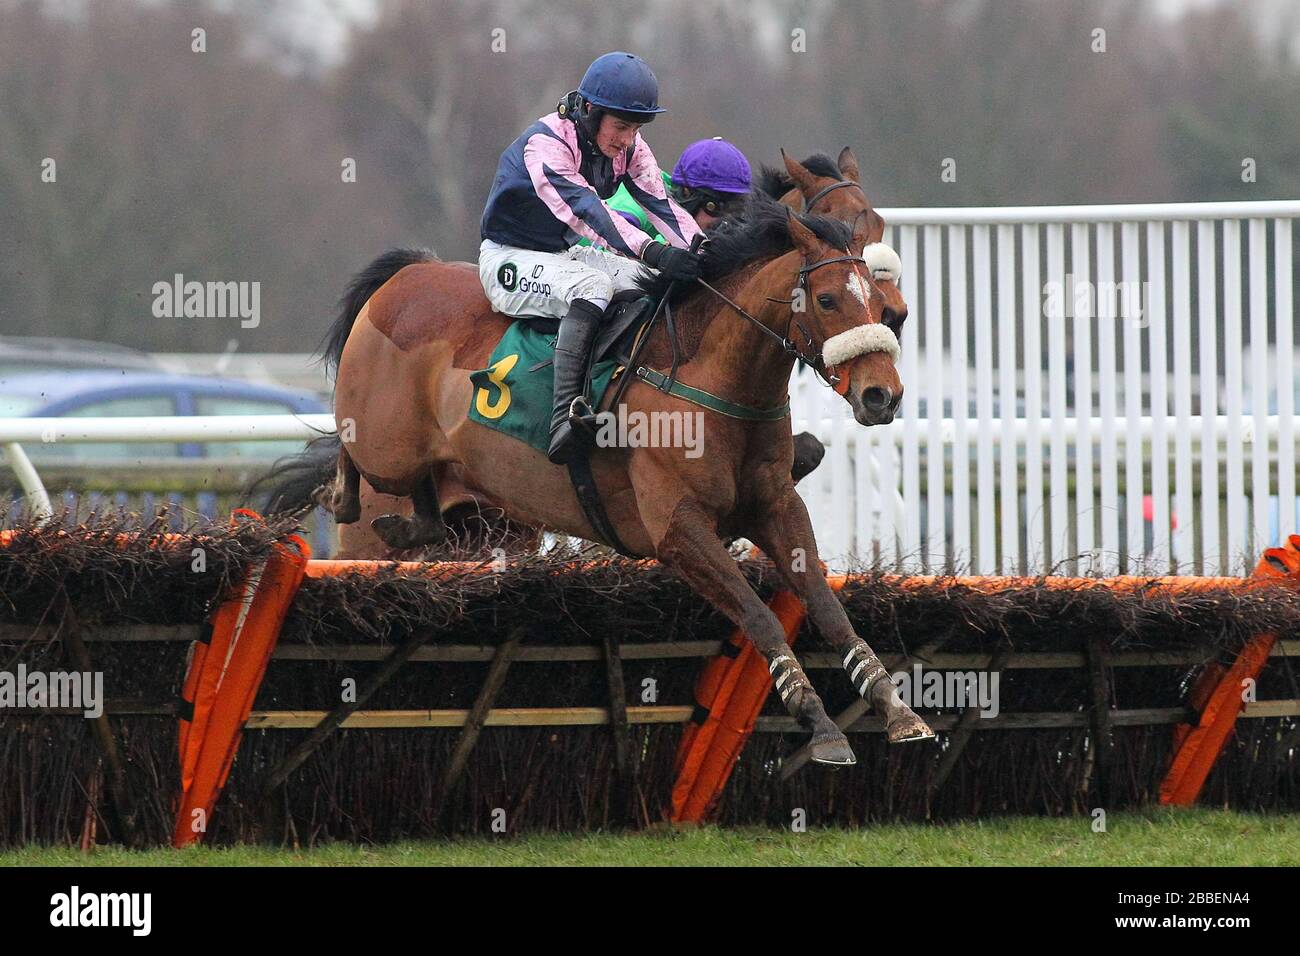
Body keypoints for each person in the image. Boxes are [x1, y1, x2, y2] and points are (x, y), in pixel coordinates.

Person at [479, 52, 703, 465]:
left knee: (645, 279)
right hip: (508, 260)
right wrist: (655, 250)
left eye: (636, 128)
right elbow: (589, 213)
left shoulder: (629, 146)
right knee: (597, 285)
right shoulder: (545, 145)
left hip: (560, 254)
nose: (627, 139)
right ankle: (564, 418)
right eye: (621, 127)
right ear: (588, 111)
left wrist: (703, 251)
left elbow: (662, 204)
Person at [586, 137, 752, 243]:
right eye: (714, 208)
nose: (723, 223)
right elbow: (605, 251)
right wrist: (664, 251)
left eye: (735, 211)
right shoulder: (635, 204)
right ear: (687, 194)